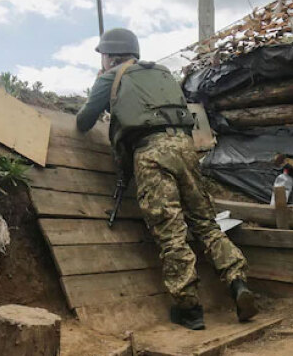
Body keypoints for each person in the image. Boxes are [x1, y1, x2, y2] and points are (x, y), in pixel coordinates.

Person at [76, 27, 258, 330]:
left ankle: (189, 308)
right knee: (206, 224)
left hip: (151, 152)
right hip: (186, 149)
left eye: (103, 56)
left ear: (109, 56)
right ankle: (238, 283)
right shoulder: (160, 74)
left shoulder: (111, 77)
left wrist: (102, 84)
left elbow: (84, 121)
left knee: (170, 231)